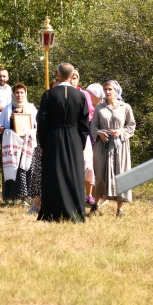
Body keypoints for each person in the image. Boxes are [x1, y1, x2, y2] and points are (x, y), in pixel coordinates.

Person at [36, 63, 91, 222]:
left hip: (54, 137)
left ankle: (53, 212)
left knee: (54, 173)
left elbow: (42, 122)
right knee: (73, 174)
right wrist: (81, 144)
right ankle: (75, 212)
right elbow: (84, 124)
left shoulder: (49, 95)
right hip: (74, 137)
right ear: (73, 75)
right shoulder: (80, 96)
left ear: (57, 74)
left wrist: (43, 144)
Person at [91, 80, 137, 216]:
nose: (107, 92)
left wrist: (121, 132)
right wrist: (99, 132)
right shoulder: (100, 108)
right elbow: (93, 125)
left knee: (120, 174)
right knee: (100, 174)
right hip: (102, 145)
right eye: (105, 89)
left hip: (119, 146)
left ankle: (119, 209)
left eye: (110, 89)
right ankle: (95, 204)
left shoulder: (125, 107)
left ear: (117, 91)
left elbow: (131, 126)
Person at [0, 83, 40, 206]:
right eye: (17, 92)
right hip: (12, 144)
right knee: (14, 169)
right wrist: (4, 129)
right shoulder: (8, 108)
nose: (19, 95)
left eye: (21, 92)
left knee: (26, 168)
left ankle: (26, 197)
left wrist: (34, 131)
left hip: (27, 144)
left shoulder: (31, 108)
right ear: (13, 94)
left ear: (25, 93)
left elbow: (37, 125)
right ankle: (14, 197)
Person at [70, 69, 98, 209]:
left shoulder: (84, 94)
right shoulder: (62, 92)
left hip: (82, 133)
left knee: (87, 164)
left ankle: (89, 195)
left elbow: (91, 112)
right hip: (67, 133)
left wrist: (83, 123)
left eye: (75, 78)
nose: (73, 80)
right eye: (71, 77)